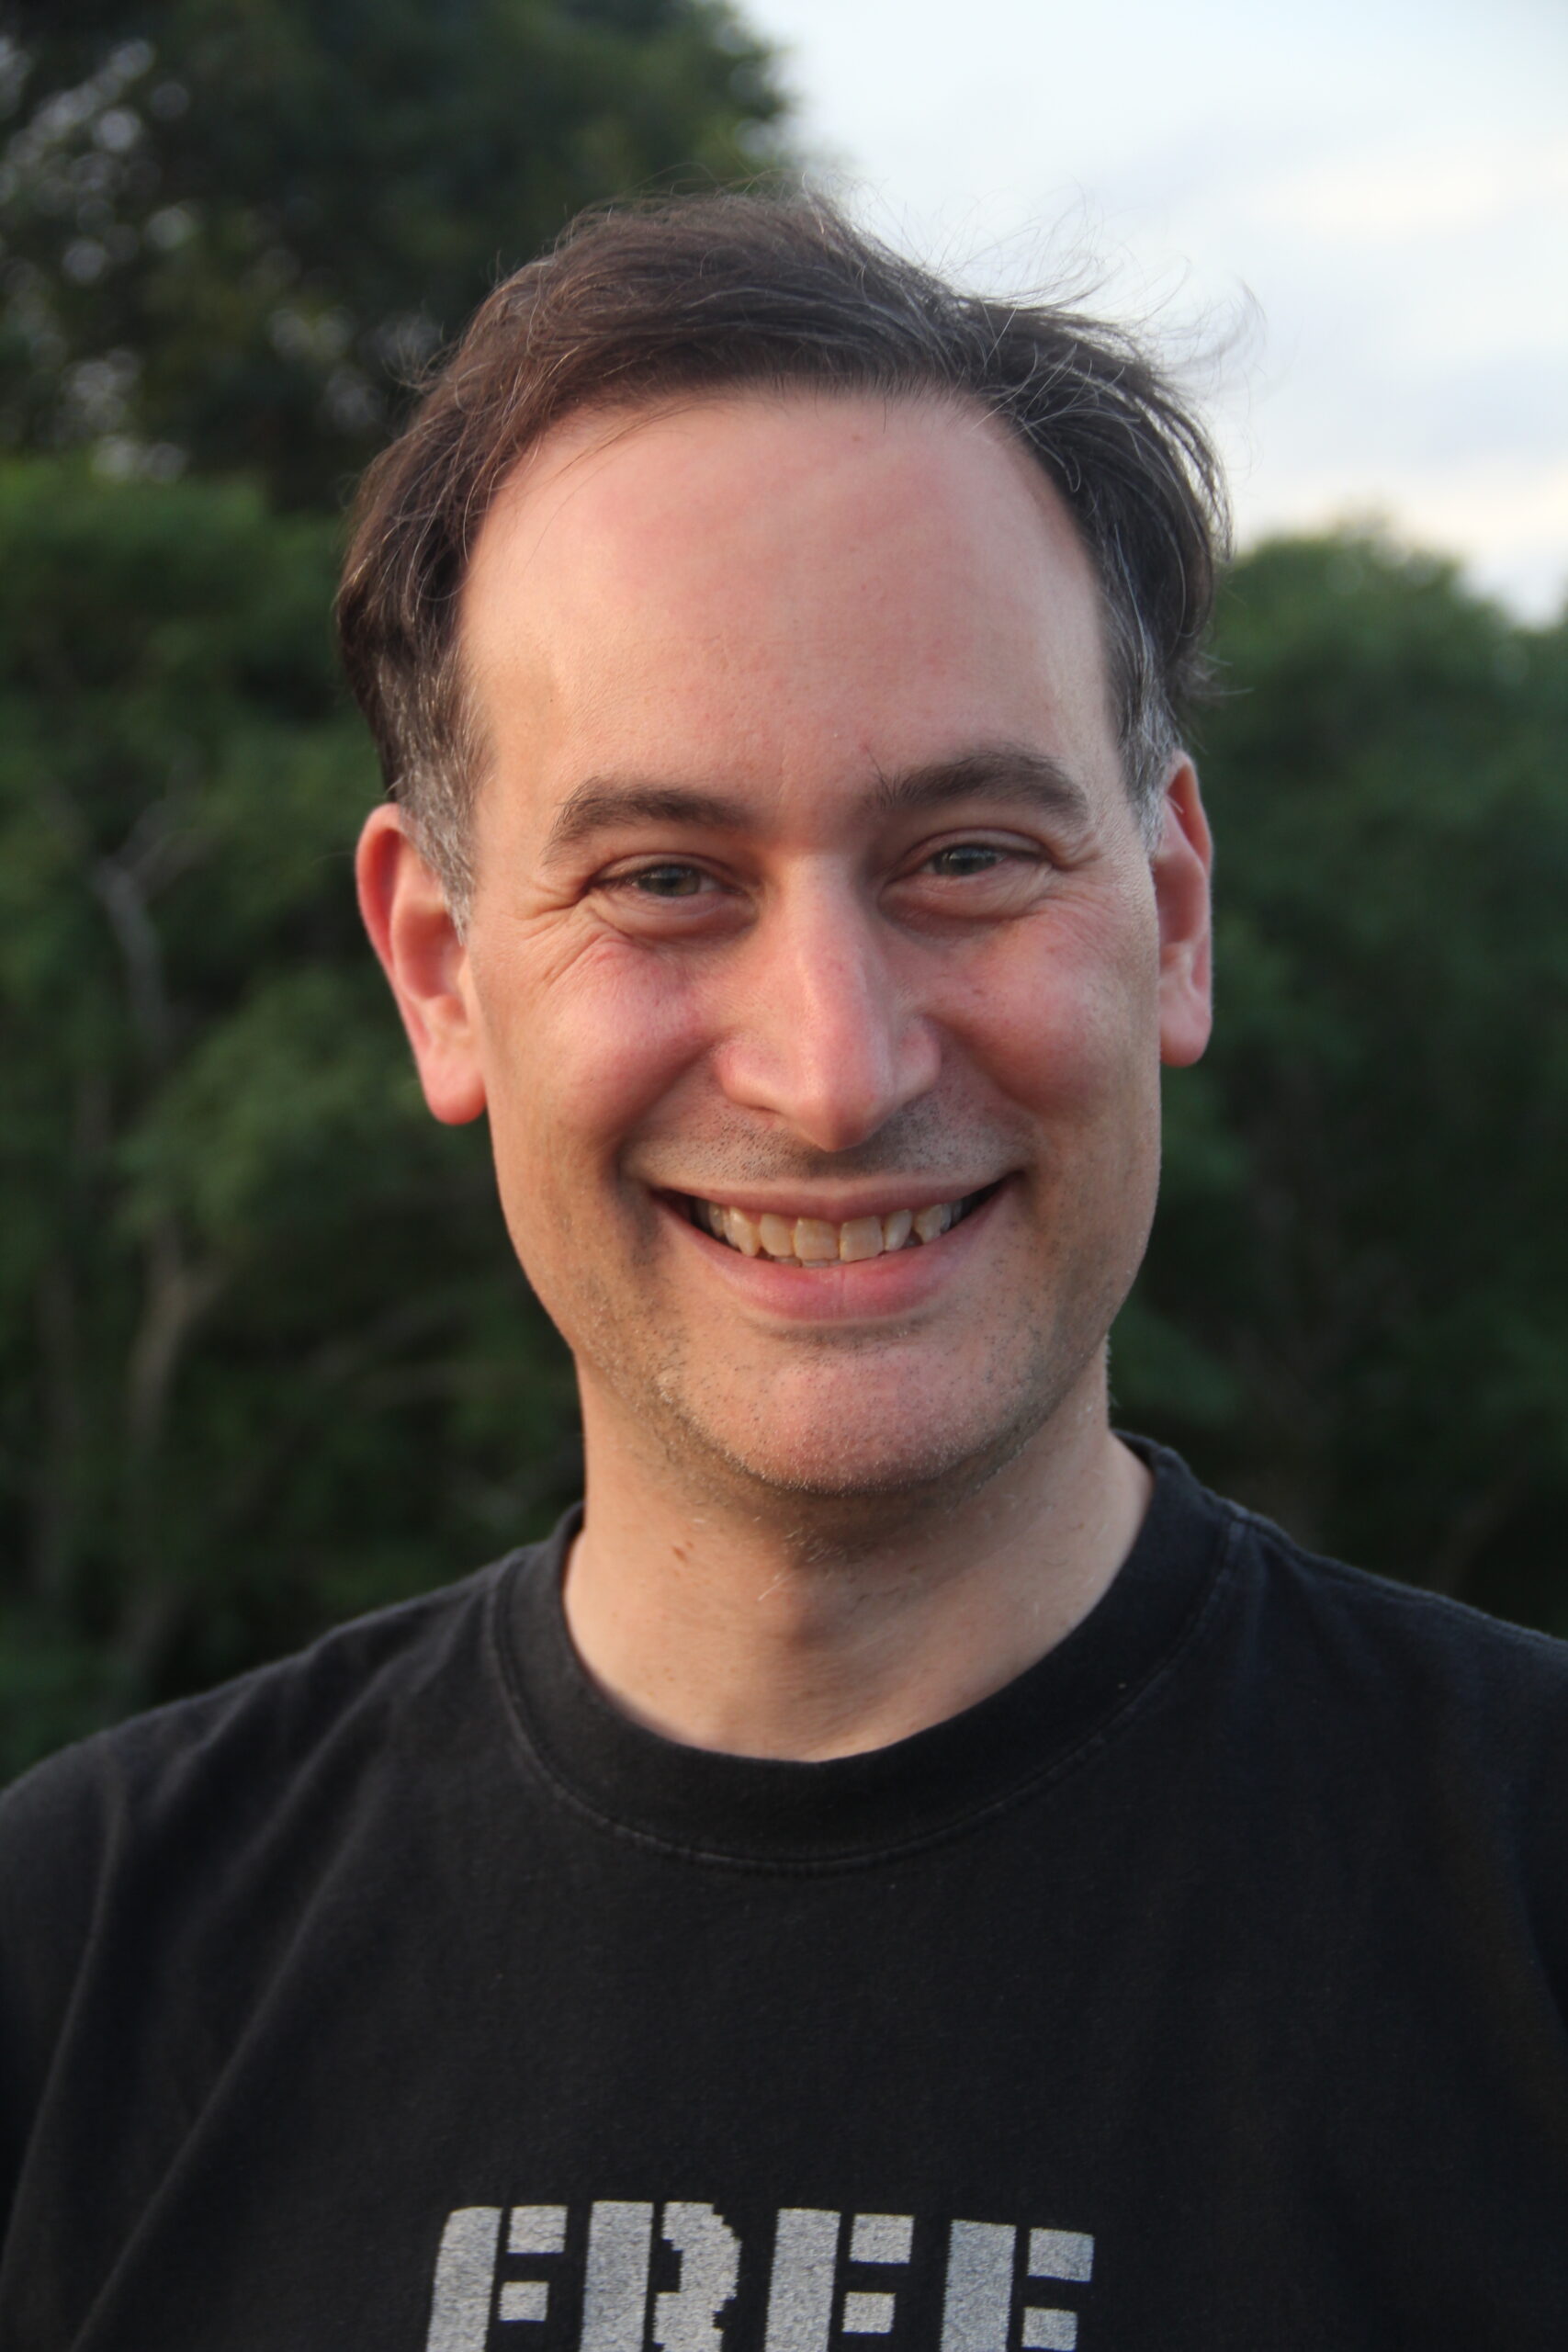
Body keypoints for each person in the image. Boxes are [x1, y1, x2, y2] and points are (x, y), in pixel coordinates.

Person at [2, 195, 1565, 2352]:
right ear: (440, 975)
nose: (834, 1069)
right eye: (662, 879)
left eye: (965, 859)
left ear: (1171, 914)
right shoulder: (68, 1974)